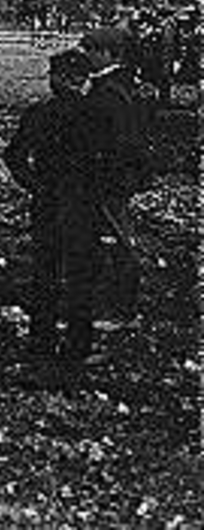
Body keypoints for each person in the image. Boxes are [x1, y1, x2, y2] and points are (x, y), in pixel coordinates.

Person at [3, 48, 97, 364]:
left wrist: (34, 185)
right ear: (83, 79)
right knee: (81, 273)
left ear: (55, 80)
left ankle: (41, 339)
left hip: (48, 200)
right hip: (84, 202)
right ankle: (78, 342)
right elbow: (114, 160)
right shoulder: (96, 114)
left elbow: (14, 156)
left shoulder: (39, 113)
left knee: (45, 270)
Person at [80, 25, 154, 340]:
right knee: (110, 239)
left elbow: (119, 141)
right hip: (110, 176)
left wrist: (105, 175)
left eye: (91, 51)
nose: (87, 56)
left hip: (109, 178)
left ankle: (122, 311)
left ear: (108, 54)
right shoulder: (115, 85)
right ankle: (113, 306)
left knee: (118, 242)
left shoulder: (110, 92)